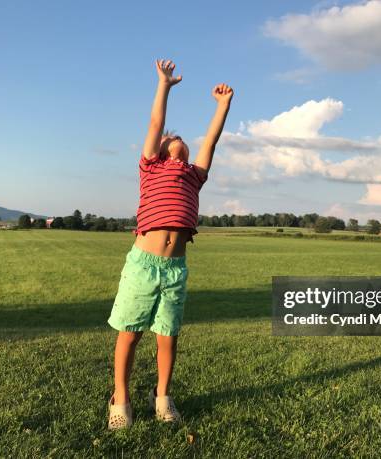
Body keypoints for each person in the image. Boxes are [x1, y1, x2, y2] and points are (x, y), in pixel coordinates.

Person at [107, 59, 233, 429]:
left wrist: (222, 106)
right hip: (144, 265)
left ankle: (163, 397)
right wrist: (164, 85)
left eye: (180, 138)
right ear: (161, 149)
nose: (176, 138)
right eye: (170, 138)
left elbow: (211, 140)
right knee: (130, 334)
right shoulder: (151, 167)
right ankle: (121, 398)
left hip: (174, 269)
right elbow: (155, 124)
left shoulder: (195, 176)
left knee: (168, 337)